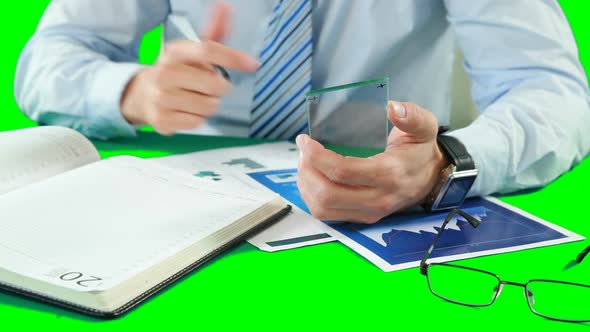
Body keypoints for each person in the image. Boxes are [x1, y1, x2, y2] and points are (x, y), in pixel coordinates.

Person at [15, 1, 590, 223]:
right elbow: (47, 60)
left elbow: (552, 89)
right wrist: (131, 91)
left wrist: (449, 162)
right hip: (191, 194)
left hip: (394, 189)